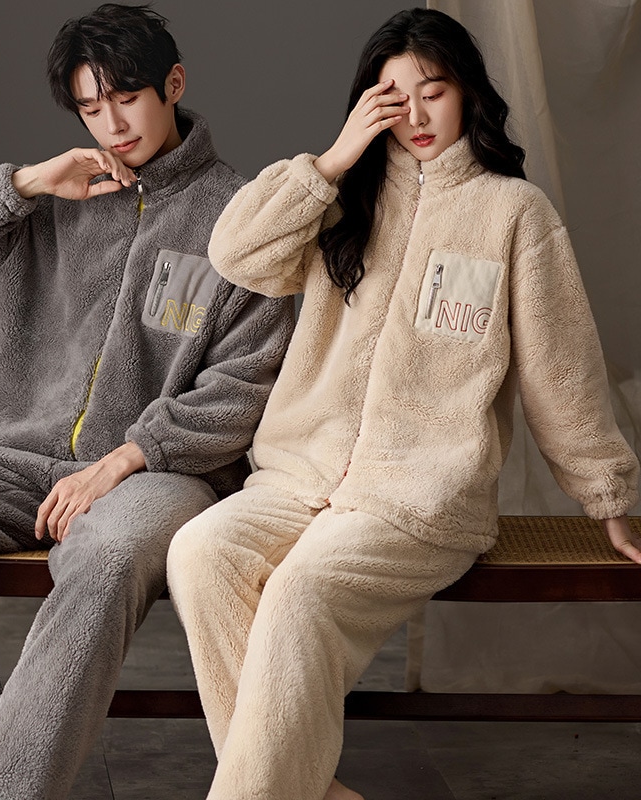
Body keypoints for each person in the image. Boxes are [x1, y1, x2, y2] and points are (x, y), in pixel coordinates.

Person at [165, 7, 641, 800]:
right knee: (200, 552)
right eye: (393, 98)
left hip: (419, 498)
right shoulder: (338, 200)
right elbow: (234, 255)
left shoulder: (513, 213)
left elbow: (563, 369)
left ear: (468, 93)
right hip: (297, 478)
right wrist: (333, 158)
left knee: (299, 595)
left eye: (434, 91)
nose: (415, 115)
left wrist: (607, 497)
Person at [0, 4, 292, 798]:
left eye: (126, 98)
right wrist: (22, 184)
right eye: (92, 108)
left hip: (156, 475)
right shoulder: (50, 201)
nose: (112, 124)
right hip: (18, 464)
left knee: (111, 551)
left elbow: (241, 388)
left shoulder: (238, 216)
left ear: (174, 84)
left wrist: (125, 459)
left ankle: (5, 793)